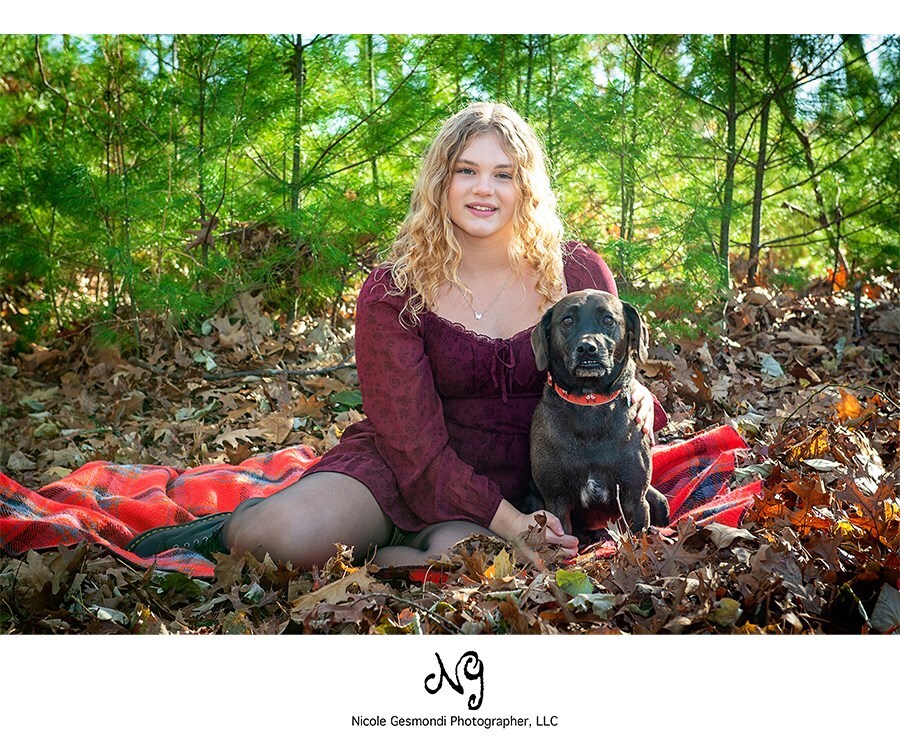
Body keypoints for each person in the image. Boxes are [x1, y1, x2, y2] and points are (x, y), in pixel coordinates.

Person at [126, 102, 666, 568]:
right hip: (408, 470)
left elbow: (612, 359)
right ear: (440, 181)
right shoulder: (396, 290)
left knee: (474, 570)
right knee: (279, 537)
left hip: (533, 484)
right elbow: (412, 445)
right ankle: (228, 527)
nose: (484, 189)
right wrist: (511, 525)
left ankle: (407, 547)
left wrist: (634, 389)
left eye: (504, 174)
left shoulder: (578, 274)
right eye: (466, 170)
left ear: (526, 187)